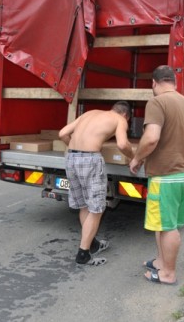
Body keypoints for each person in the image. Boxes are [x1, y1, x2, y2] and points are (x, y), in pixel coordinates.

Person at [129, 65, 184, 285]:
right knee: (163, 224)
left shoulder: (157, 102)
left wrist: (137, 158)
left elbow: (151, 138)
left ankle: (168, 273)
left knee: (168, 227)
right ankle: (161, 262)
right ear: (174, 82)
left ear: (154, 83)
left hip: (166, 176)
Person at [58, 101, 134, 266]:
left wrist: (77, 150)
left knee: (84, 204)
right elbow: (122, 144)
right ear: (125, 115)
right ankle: (83, 254)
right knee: (97, 208)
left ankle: (92, 243)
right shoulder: (119, 120)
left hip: (70, 157)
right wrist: (133, 157)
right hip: (90, 160)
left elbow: (62, 133)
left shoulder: (89, 113)